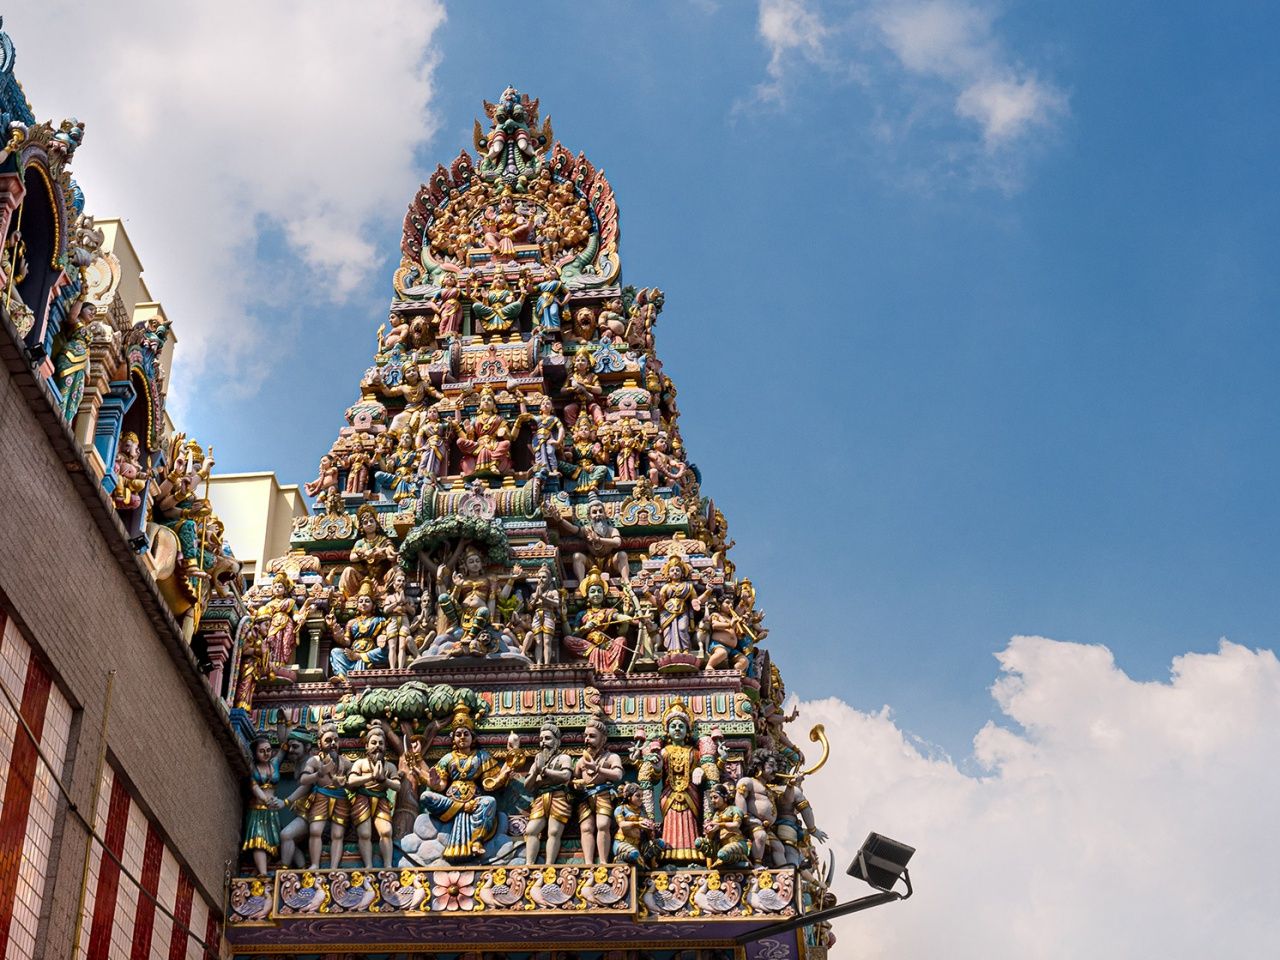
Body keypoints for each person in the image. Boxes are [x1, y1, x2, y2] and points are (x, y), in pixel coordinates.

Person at [418, 705, 517, 861]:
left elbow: (488, 784)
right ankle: (461, 809)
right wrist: (433, 782)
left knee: (489, 801)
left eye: (466, 733)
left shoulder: (481, 756)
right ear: (453, 738)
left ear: (473, 737)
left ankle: (476, 840)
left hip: (474, 800)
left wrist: (505, 770)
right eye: (458, 734)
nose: (462, 737)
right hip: (451, 801)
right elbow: (441, 785)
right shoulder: (448, 758)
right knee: (425, 796)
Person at [518, 718, 574, 865]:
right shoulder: (538, 759)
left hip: (558, 797)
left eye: (548, 738)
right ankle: (529, 864)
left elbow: (566, 776)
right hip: (541, 798)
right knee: (531, 831)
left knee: (554, 832)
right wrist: (537, 771)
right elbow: (527, 785)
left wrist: (543, 771)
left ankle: (549, 865)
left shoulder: (564, 758)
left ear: (557, 742)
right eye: (541, 739)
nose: (543, 742)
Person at [298, 723, 353, 870]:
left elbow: (353, 782)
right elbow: (303, 779)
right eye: (328, 740)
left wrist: (346, 783)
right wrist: (319, 774)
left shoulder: (345, 763)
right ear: (319, 743)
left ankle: (334, 867)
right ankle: (315, 864)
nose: (333, 744)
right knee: (315, 830)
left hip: (340, 797)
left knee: (337, 834)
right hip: (321, 795)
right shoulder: (314, 761)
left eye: (336, 740)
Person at [346, 725, 402, 868]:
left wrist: (385, 780)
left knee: (386, 831)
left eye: (381, 743)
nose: (378, 746)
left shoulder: (389, 766)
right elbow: (351, 781)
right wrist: (371, 776)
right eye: (374, 743)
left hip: (381, 799)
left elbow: (397, 786)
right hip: (363, 798)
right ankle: (368, 867)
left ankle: (388, 866)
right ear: (366, 746)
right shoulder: (360, 763)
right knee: (365, 834)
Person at [573, 714, 624, 864]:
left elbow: (618, 774)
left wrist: (598, 769)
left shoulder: (611, 757)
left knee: (603, 825)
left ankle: (603, 862)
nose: (587, 739)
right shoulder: (582, 761)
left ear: (603, 739)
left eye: (592, 736)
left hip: (603, 794)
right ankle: (588, 863)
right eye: (586, 736)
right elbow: (573, 779)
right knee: (586, 828)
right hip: (584, 796)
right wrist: (575, 783)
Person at [242, 736, 286, 876]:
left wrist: (285, 722)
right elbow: (254, 788)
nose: (266, 753)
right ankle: (263, 872)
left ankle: (261, 869)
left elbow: (284, 746)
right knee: (258, 839)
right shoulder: (252, 769)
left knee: (272, 840)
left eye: (268, 750)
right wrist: (266, 800)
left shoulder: (274, 764)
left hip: (272, 810)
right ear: (255, 753)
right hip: (258, 808)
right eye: (262, 751)